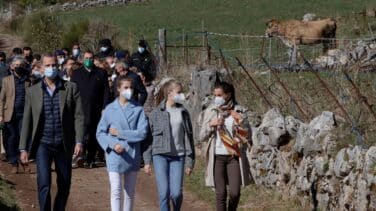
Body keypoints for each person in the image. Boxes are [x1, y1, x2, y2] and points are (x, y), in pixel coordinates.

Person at [19, 54, 84, 211]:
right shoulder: (33, 91)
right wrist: (23, 148)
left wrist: (79, 140)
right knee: (44, 183)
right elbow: (27, 120)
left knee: (64, 183)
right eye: (47, 65)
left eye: (54, 65)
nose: (51, 68)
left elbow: (79, 116)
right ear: (41, 68)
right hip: (43, 144)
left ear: (58, 66)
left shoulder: (70, 88)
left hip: (63, 144)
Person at [197, 81, 252, 211]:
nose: (216, 98)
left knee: (235, 192)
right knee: (220, 194)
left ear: (228, 95)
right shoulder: (211, 111)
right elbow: (201, 137)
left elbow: (248, 136)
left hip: (233, 157)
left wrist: (240, 121)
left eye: (219, 95)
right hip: (217, 157)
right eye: (215, 95)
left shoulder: (239, 111)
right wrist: (211, 124)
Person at [97, 76, 148, 211]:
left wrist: (120, 133)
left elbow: (142, 132)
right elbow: (100, 133)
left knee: (129, 192)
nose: (129, 90)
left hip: (132, 154)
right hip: (114, 155)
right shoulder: (109, 109)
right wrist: (113, 145)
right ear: (118, 89)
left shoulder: (138, 109)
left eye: (131, 87)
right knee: (116, 189)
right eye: (126, 87)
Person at [143, 80, 195, 211]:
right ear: (169, 93)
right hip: (160, 155)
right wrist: (147, 161)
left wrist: (190, 161)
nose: (182, 95)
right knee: (163, 193)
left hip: (179, 156)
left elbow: (189, 139)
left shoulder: (184, 112)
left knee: (176, 193)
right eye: (179, 92)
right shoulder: (155, 113)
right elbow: (148, 139)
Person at [71, 50, 110, 168]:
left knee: (93, 133)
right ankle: (80, 155)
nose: (89, 60)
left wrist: (104, 107)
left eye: (91, 58)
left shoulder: (101, 73)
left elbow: (106, 92)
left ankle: (91, 158)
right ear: (82, 59)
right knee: (81, 132)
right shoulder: (76, 73)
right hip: (80, 108)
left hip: (96, 108)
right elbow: (72, 91)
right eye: (86, 58)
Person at [0, 56, 31, 173]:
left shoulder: (28, 81)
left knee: (24, 138)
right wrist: (1, 114)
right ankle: (14, 162)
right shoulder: (6, 80)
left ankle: (24, 161)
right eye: (16, 65)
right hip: (10, 114)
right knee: (11, 138)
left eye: (21, 65)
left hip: (24, 114)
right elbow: (1, 99)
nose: (18, 67)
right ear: (12, 67)